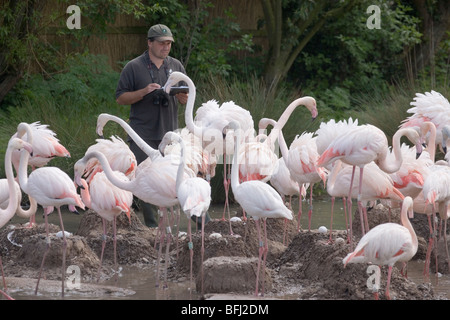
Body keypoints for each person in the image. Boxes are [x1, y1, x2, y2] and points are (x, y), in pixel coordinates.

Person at [115, 24, 209, 229]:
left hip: (171, 136)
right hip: (143, 136)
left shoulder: (175, 66)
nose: (166, 47)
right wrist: (144, 91)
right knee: (145, 184)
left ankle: (205, 226)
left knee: (181, 182)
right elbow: (120, 98)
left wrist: (183, 97)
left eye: (169, 44)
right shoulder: (134, 67)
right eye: (161, 43)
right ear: (149, 43)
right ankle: (152, 230)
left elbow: (186, 97)